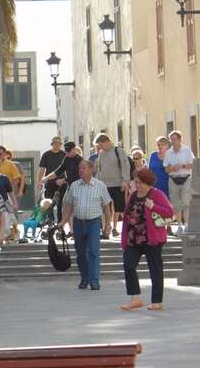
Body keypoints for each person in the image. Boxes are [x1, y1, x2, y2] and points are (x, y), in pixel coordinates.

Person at [120, 168, 174, 312]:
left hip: (152, 239)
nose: (137, 185)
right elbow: (126, 218)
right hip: (133, 239)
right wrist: (124, 239)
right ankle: (136, 298)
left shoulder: (157, 194)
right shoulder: (132, 196)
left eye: (140, 182)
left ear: (148, 182)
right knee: (128, 265)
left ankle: (157, 301)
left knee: (155, 269)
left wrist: (153, 206)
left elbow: (170, 212)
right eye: (136, 182)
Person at [58, 160, 113, 291]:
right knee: (81, 253)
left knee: (94, 252)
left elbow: (106, 207)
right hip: (78, 223)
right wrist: (62, 222)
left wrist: (107, 226)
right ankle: (84, 278)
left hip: (94, 223)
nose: (80, 170)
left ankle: (94, 281)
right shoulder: (74, 186)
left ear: (91, 169)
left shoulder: (100, 186)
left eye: (83, 168)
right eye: (79, 168)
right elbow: (69, 207)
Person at [94, 133, 131, 238]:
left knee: (121, 208)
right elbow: (100, 169)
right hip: (105, 185)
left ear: (106, 141)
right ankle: (106, 230)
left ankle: (129, 230)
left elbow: (125, 165)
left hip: (118, 184)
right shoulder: (101, 153)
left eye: (101, 145)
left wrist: (126, 180)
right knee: (105, 208)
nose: (100, 147)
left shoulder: (118, 151)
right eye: (98, 146)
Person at [163, 130, 195, 234]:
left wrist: (183, 166)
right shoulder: (168, 152)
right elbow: (166, 169)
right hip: (173, 179)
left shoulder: (187, 150)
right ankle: (180, 226)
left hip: (186, 178)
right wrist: (172, 168)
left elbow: (194, 165)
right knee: (176, 205)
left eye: (174, 139)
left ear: (180, 139)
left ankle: (187, 226)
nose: (172, 142)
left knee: (186, 203)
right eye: (171, 140)